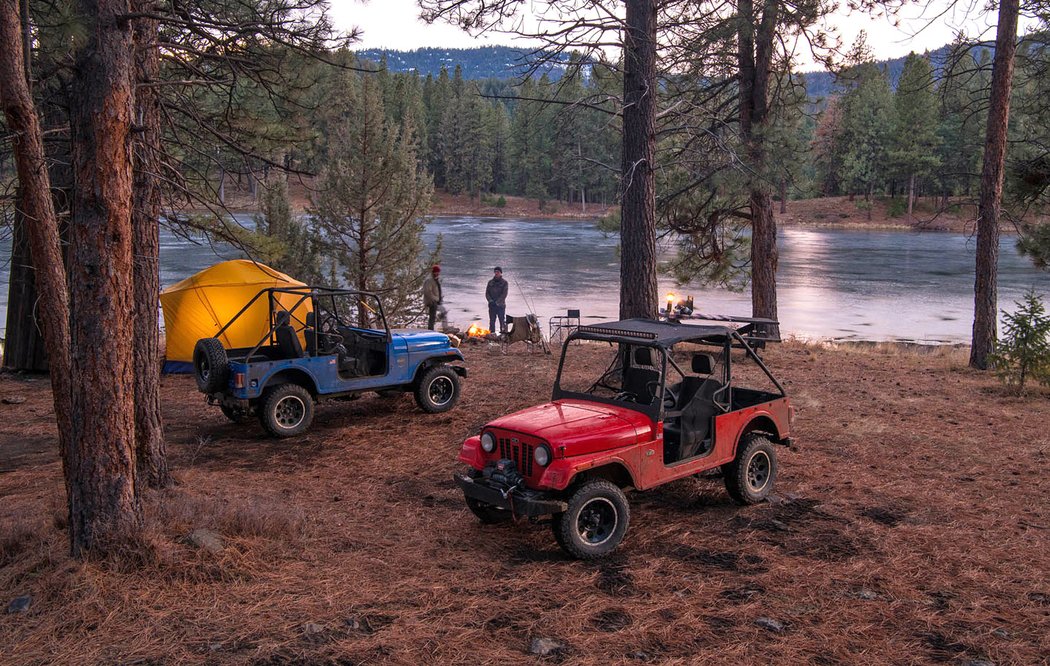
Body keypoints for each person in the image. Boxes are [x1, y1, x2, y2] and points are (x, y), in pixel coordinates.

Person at [486, 266, 508, 334]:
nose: (496, 273)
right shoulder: (490, 282)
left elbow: (504, 294)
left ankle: (503, 334)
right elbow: (487, 293)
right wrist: (490, 300)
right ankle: (492, 334)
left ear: (501, 273)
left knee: (502, 321)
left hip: (500, 305)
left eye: (498, 272)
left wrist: (498, 302)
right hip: (492, 305)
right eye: (495, 272)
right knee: (492, 321)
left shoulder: (504, 283)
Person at [423, 265, 444, 330]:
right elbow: (427, 292)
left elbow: (437, 291)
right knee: (432, 317)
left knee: (433, 317)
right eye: (435, 272)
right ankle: (430, 330)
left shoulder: (436, 280)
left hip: (436, 301)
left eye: (438, 272)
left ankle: (431, 329)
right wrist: (435, 299)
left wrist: (439, 299)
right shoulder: (429, 281)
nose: (437, 273)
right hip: (431, 301)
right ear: (433, 272)